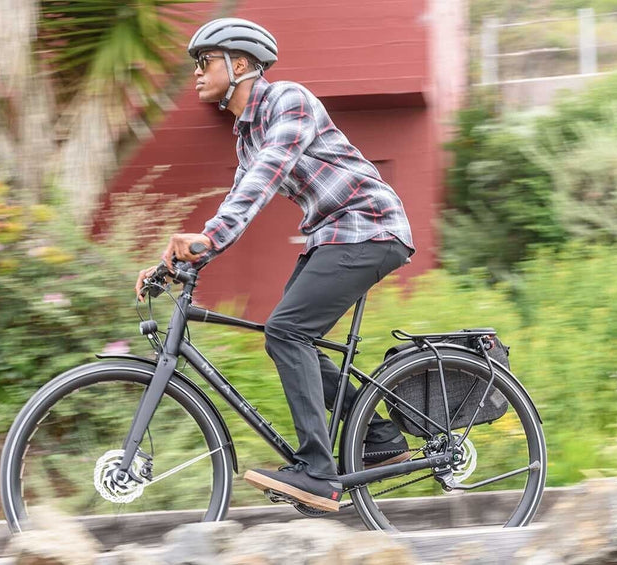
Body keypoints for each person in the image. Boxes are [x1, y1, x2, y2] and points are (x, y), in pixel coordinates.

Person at [134, 18, 416, 512]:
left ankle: (318, 472)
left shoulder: (289, 100)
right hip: (332, 235)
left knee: (287, 331)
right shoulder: (246, 137)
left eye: (204, 62)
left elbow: (264, 180)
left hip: (369, 227)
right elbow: (237, 204)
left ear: (239, 64)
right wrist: (175, 264)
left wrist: (206, 236)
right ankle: (378, 431)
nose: (196, 73)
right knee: (287, 336)